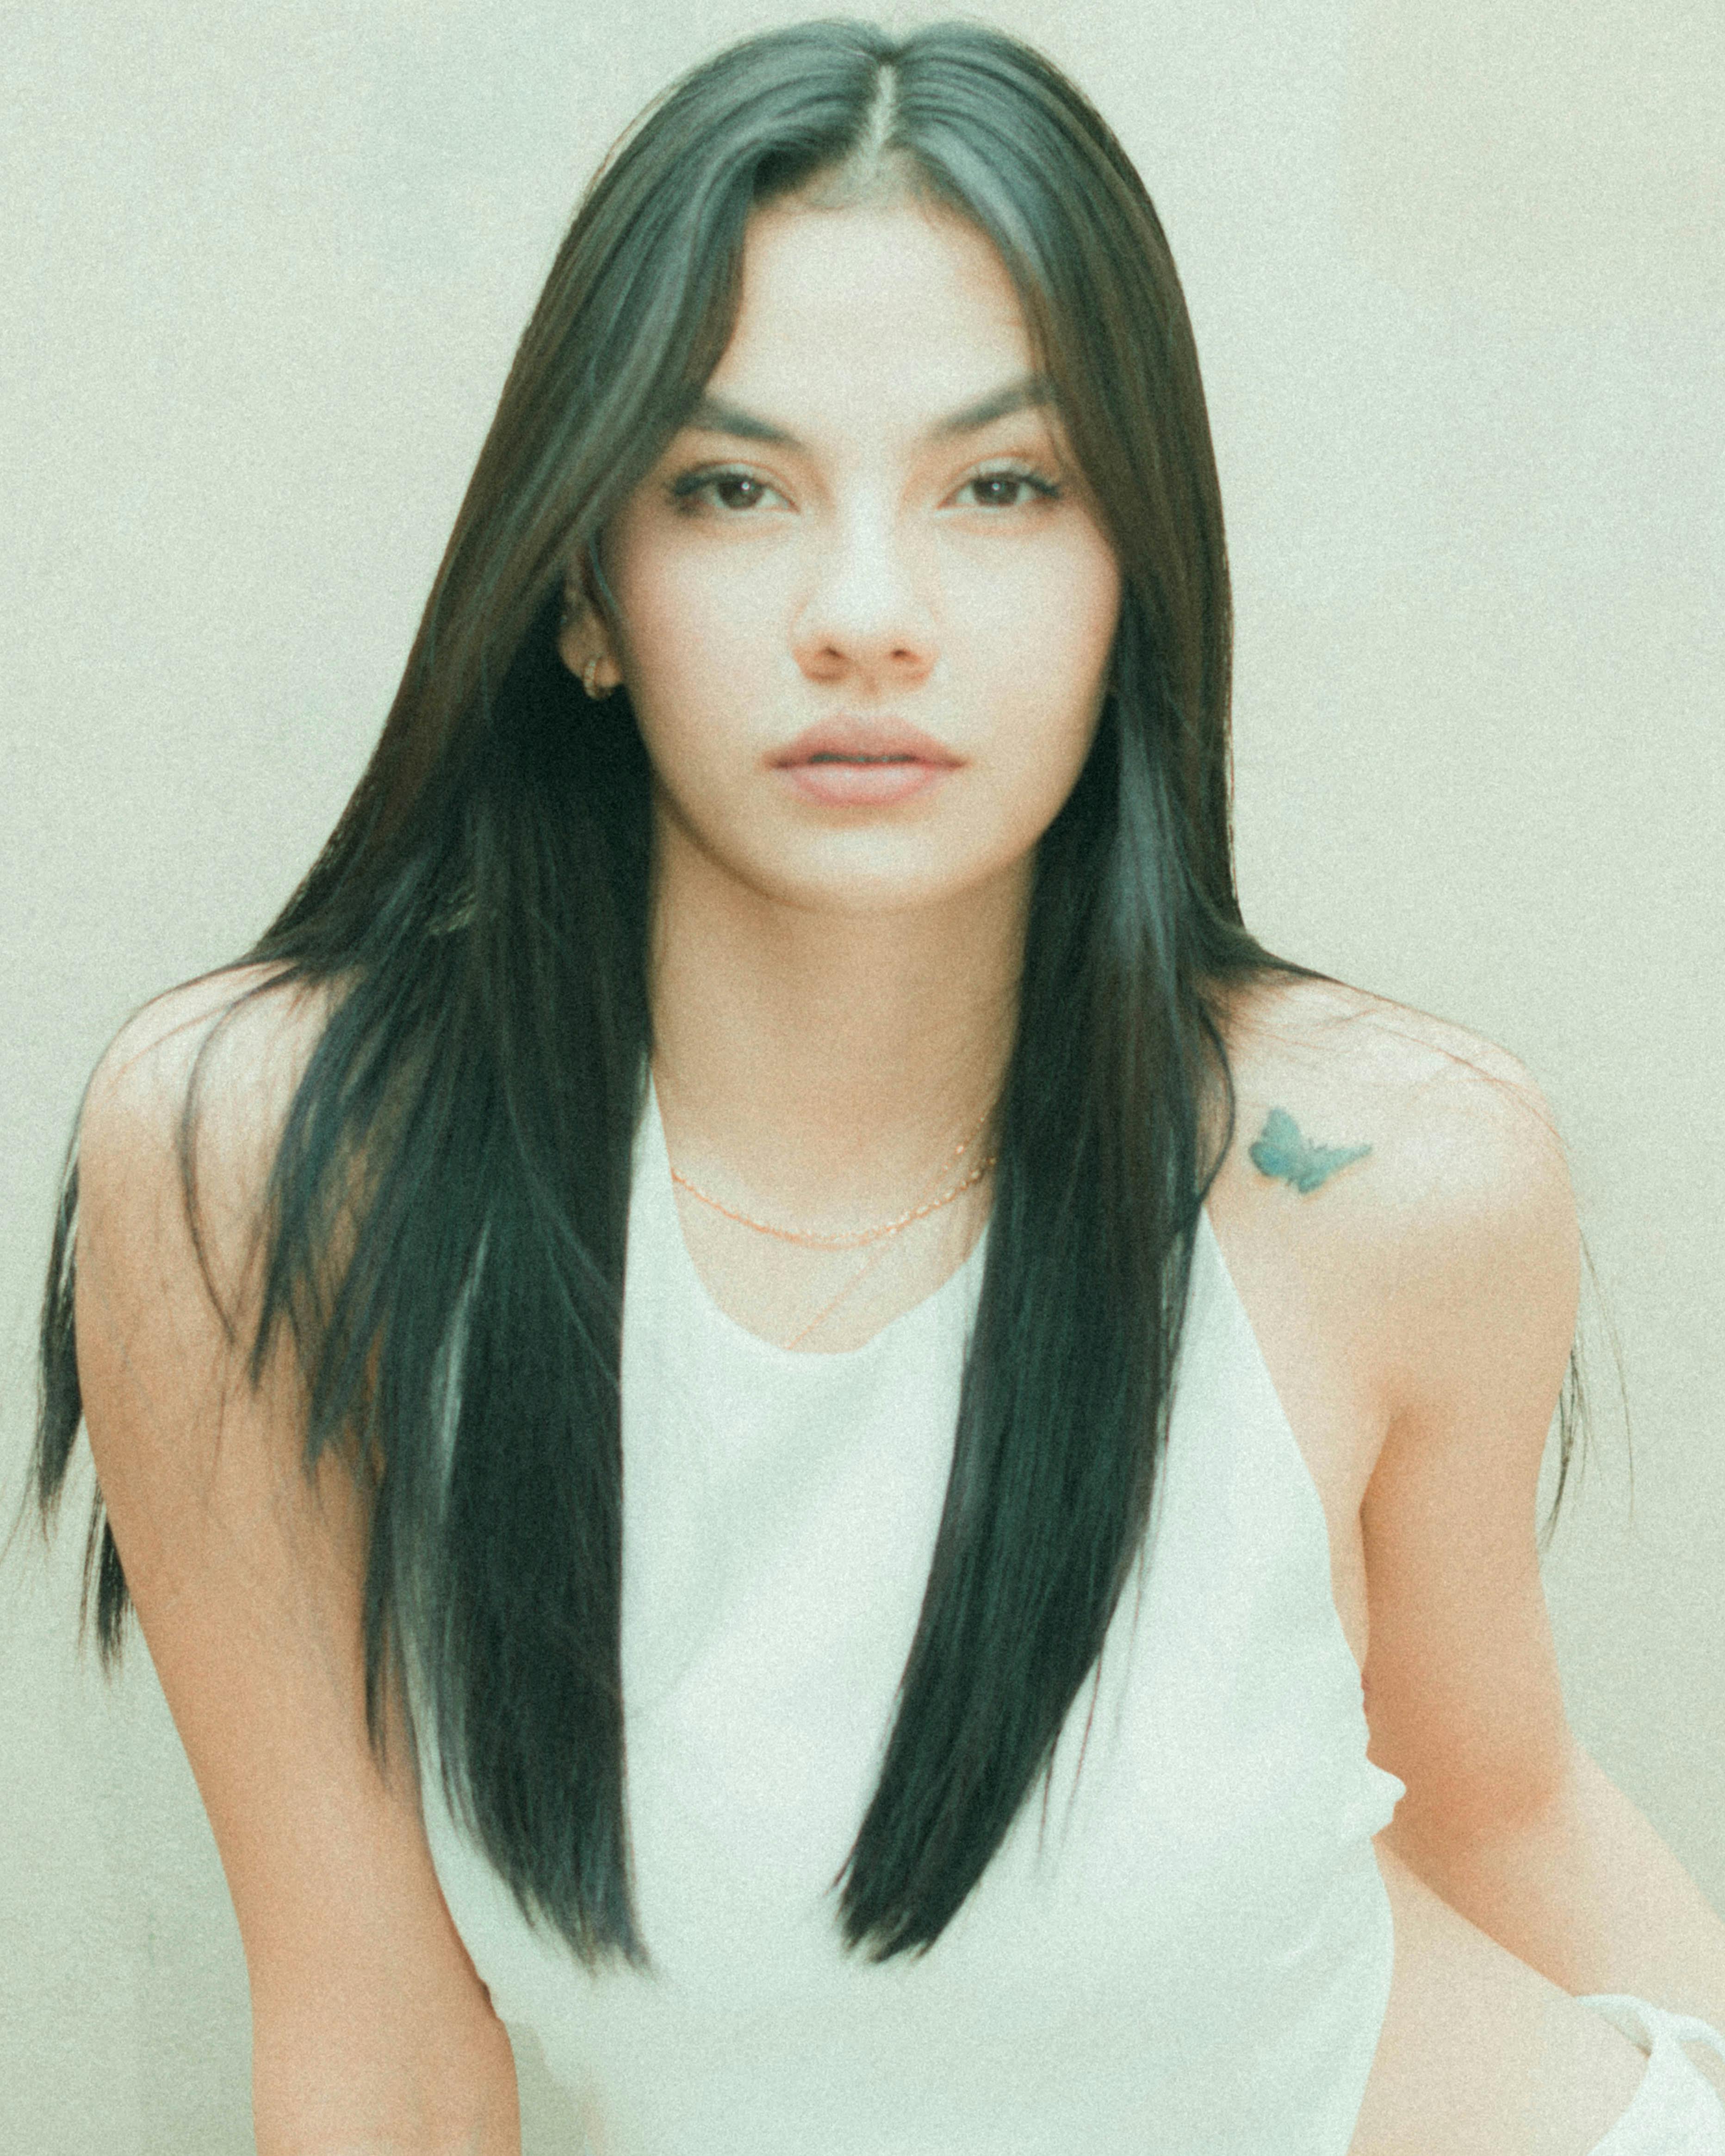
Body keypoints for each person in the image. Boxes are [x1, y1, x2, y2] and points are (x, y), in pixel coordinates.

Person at [28, 16, 1725, 2155]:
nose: (863, 614)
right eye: (730, 489)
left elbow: (1499, 1802)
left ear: (1131, 580)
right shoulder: (257, 1163)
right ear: (581, 587)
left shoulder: (1387, 1176)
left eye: (1000, 488)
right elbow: (374, 2038)